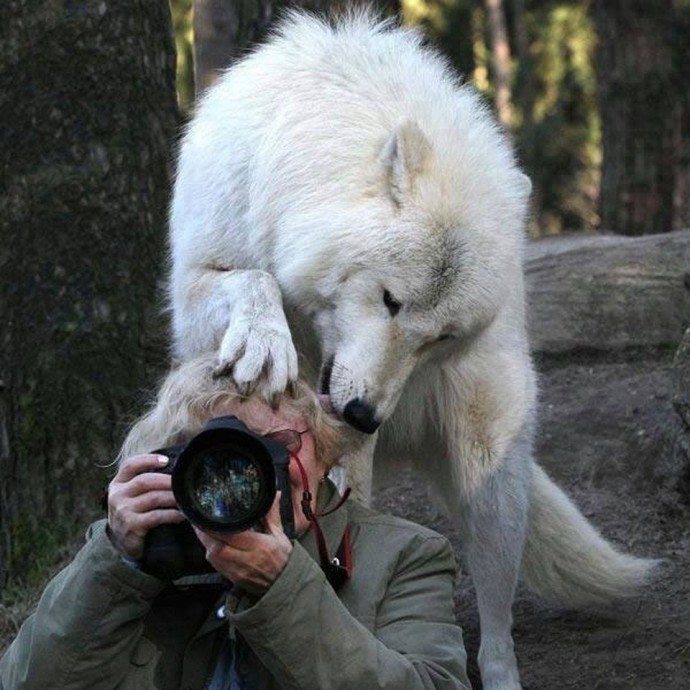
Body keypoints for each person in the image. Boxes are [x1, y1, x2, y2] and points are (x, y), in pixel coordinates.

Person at [0, 355, 471, 689]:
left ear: (325, 454)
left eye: (278, 446)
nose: (252, 473)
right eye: (216, 459)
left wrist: (281, 588)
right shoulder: (141, 558)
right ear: (169, 467)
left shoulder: (403, 557)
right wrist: (117, 564)